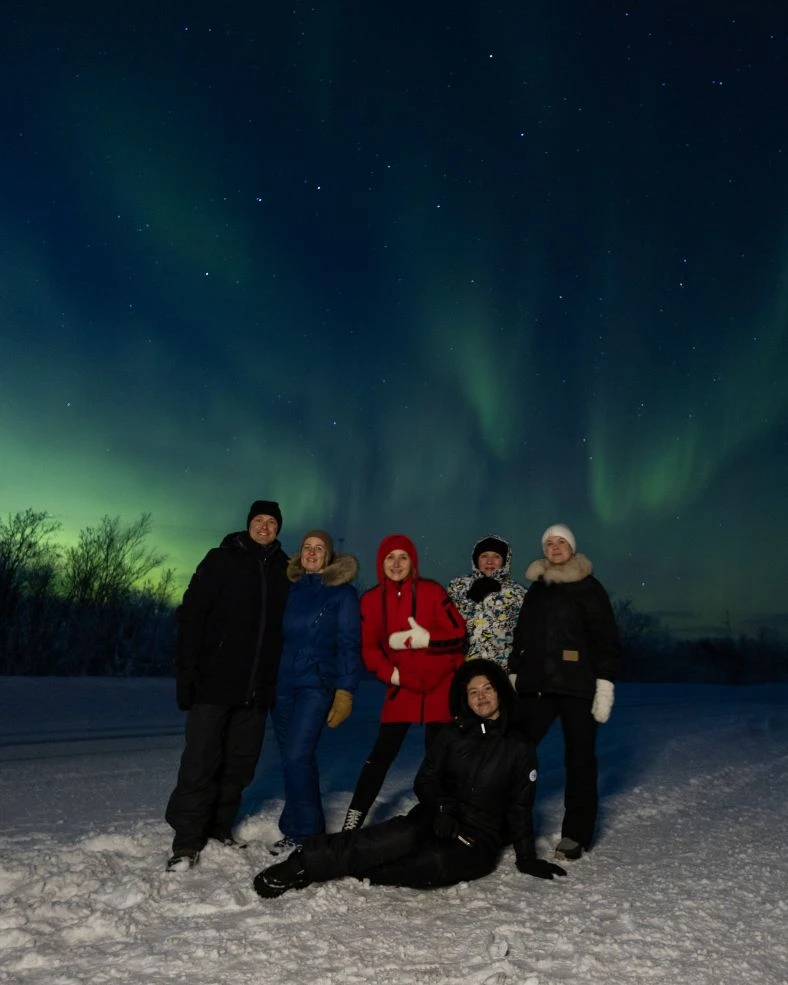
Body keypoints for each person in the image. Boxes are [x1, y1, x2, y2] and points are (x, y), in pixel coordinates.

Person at [253, 659, 567, 897]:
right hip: (436, 816)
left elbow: (520, 807)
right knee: (397, 838)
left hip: (478, 836)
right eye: (473, 692)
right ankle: (304, 862)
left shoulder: (519, 747)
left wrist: (527, 857)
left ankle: (345, 868)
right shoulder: (452, 735)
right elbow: (425, 781)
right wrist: (442, 807)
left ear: (500, 691)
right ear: (465, 699)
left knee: (429, 864)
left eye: (487, 689)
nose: (481, 697)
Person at [164, 500, 290, 872]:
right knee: (200, 761)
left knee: (239, 765)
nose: (264, 526)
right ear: (248, 524)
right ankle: (187, 841)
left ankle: (219, 828)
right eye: (259, 520)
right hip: (214, 683)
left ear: (278, 529)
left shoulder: (285, 570)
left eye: (271, 522)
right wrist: (187, 670)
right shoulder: (220, 560)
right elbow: (191, 614)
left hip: (257, 689)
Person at [509, 523, 621, 861]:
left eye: (561, 542)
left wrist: (604, 684)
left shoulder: (589, 587)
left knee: (580, 759)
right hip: (537, 686)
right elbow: (522, 634)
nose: (555, 547)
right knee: (515, 751)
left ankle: (575, 834)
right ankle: (506, 822)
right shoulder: (537, 588)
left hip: (578, 686)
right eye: (549, 543)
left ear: (572, 548)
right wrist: (515, 670)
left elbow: (606, 639)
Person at [340, 533, 466, 832]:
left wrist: (427, 639)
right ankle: (353, 821)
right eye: (390, 558)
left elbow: (459, 633)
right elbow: (369, 648)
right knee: (380, 756)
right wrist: (393, 675)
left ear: (413, 562)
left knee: (439, 761)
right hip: (402, 688)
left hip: (440, 687)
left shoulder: (432, 591)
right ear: (380, 563)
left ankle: (441, 822)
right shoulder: (371, 601)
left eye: (403, 557)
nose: (396, 564)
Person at [269, 529, 361, 853]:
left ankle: (309, 836)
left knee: (297, 755)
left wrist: (345, 690)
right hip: (282, 685)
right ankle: (294, 827)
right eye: (307, 547)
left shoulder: (343, 594)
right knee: (292, 759)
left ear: (329, 555)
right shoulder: (291, 590)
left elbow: (349, 644)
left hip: (316, 683)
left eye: (319, 548)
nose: (311, 552)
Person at [447, 534, 526, 666]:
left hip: (501, 668)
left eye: (496, 556)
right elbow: (447, 626)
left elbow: (525, 634)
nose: (490, 561)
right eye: (484, 556)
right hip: (464, 667)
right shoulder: (457, 587)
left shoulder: (518, 593)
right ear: (475, 560)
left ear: (505, 561)